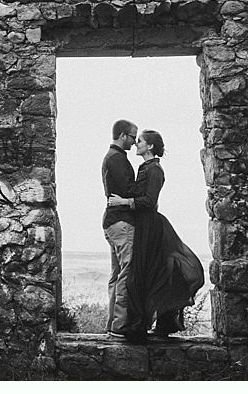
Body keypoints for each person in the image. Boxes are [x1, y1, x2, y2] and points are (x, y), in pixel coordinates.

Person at [107, 129, 204, 343]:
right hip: (142, 226)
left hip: (150, 226)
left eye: (140, 141)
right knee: (143, 275)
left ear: (149, 146)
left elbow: (149, 201)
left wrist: (124, 202)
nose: (136, 144)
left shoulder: (155, 170)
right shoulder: (146, 167)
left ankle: (152, 324)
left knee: (152, 273)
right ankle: (138, 324)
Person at [101, 119, 139, 338]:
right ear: (123, 135)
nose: (134, 142)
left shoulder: (114, 157)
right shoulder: (116, 158)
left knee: (117, 274)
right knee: (127, 272)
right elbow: (128, 189)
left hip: (112, 221)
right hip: (121, 222)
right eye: (133, 137)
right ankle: (119, 325)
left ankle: (112, 324)